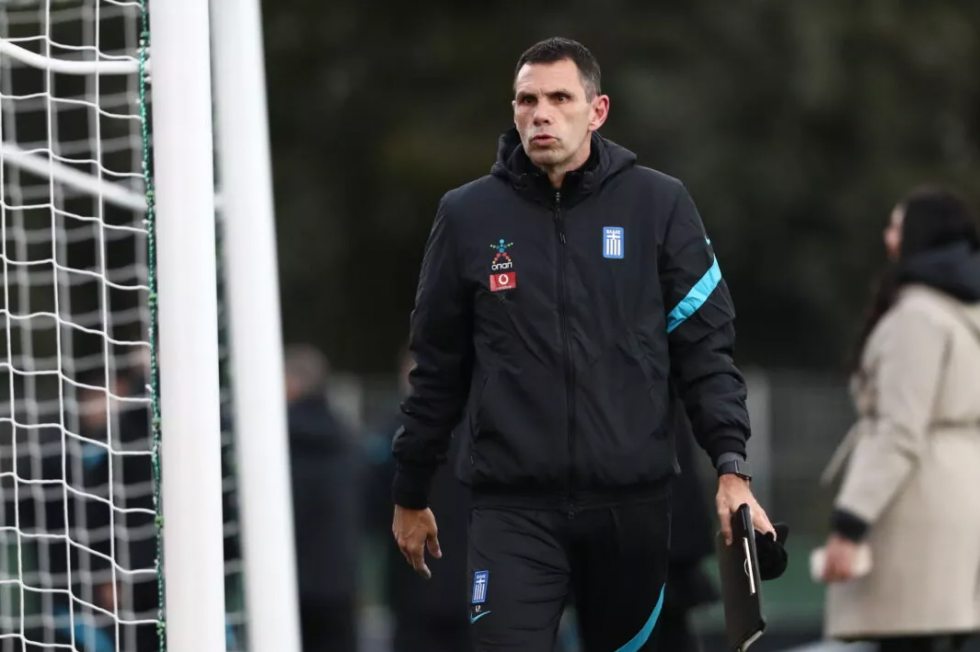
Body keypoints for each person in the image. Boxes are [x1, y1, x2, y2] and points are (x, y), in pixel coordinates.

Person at [390, 37, 775, 652]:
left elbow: (705, 353)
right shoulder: (466, 215)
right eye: (527, 100)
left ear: (597, 110)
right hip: (511, 511)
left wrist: (732, 468)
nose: (541, 113)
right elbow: (437, 369)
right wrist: (410, 490)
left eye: (559, 98)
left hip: (631, 508)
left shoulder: (659, 204)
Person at [819, 187, 980, 652]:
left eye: (896, 226)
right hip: (963, 496)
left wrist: (850, 524)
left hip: (918, 508)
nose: (887, 236)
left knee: (910, 638)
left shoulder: (916, 317)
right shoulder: (964, 311)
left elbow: (898, 431)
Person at [365, 345, 473, 652]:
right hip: (472, 584)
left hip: (415, 585)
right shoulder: (481, 430)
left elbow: (373, 509)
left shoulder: (392, 434)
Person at [283, 344, 361, 652]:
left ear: (292, 383)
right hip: (341, 579)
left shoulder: (278, 439)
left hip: (292, 582)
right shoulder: (346, 436)